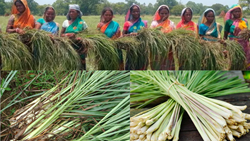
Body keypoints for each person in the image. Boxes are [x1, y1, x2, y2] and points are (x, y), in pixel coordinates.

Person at [61, 4, 88, 70]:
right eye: (70, 11)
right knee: (69, 64)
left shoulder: (82, 23)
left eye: (73, 11)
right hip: (68, 47)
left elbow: (87, 35)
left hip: (80, 47)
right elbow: (61, 34)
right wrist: (66, 35)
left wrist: (77, 37)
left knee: (81, 65)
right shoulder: (65, 22)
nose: (71, 13)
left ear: (78, 13)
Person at [224, 4, 250, 69]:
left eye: (239, 11)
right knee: (235, 63)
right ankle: (235, 78)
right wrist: (224, 48)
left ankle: (246, 78)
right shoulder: (228, 22)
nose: (237, 13)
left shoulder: (245, 21)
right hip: (234, 46)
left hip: (245, 46)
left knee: (246, 62)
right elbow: (225, 36)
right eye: (235, 11)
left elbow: (247, 33)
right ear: (232, 12)